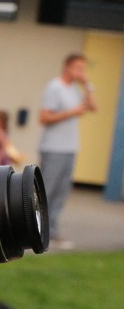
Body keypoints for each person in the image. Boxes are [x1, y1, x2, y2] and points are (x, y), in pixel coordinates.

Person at [38, 53, 96, 251]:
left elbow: (92, 107)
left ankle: (51, 231)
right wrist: (72, 113)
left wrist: (88, 85)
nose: (81, 72)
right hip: (53, 148)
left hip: (70, 148)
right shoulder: (55, 87)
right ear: (67, 67)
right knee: (46, 190)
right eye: (78, 68)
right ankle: (34, 228)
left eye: (83, 69)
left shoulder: (74, 89)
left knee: (61, 192)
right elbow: (44, 118)